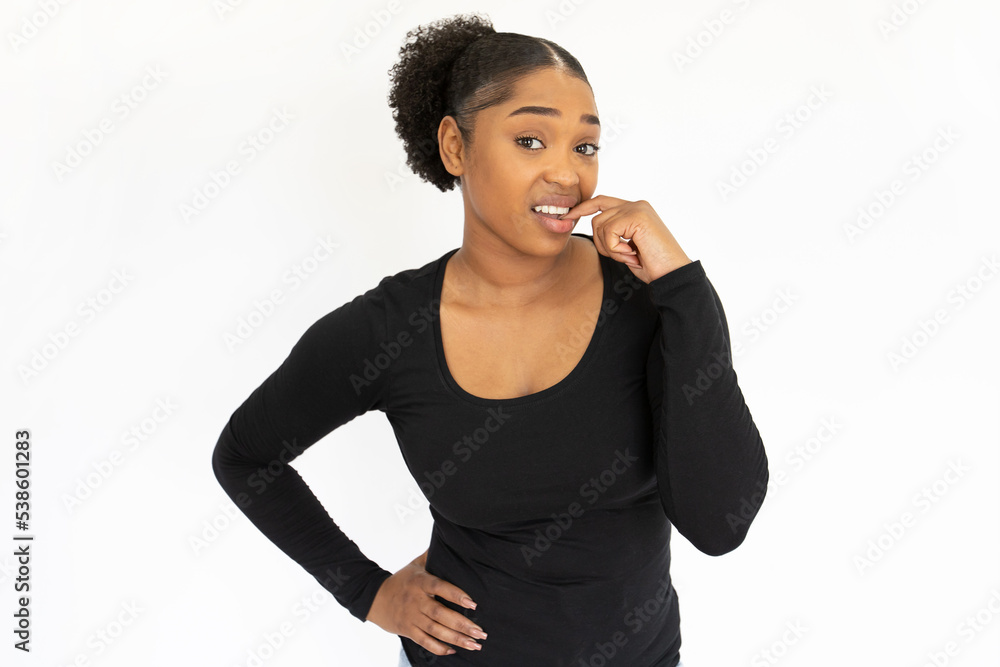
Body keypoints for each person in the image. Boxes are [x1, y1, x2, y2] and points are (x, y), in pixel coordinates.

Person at [212, 12, 768, 667]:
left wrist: (683, 284)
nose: (567, 173)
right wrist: (369, 591)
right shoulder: (390, 329)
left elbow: (721, 522)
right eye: (531, 140)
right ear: (455, 146)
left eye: (585, 146)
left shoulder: (651, 298)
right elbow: (245, 456)